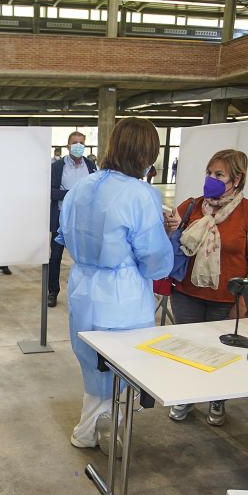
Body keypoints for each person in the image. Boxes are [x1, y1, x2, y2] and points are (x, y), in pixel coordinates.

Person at [57, 118, 173, 452]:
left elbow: (63, 234)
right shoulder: (141, 194)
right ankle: (107, 432)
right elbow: (154, 260)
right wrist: (167, 235)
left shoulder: (83, 186)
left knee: (92, 364)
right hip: (122, 294)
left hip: (83, 286)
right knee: (120, 366)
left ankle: (89, 429)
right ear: (146, 154)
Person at [164, 149, 248, 426]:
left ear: (237, 179)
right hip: (187, 294)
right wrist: (168, 228)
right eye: (209, 173)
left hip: (227, 300)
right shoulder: (191, 206)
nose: (211, 179)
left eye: (219, 175)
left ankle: (217, 399)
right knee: (187, 349)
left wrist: (243, 304)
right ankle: (184, 396)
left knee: (220, 354)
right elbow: (169, 244)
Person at [49, 131, 98, 308]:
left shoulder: (91, 166)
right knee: (55, 256)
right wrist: (72, 194)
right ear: (68, 145)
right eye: (75, 143)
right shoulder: (58, 166)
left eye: (81, 143)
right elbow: (51, 192)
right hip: (62, 219)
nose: (78, 146)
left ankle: (86, 291)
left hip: (84, 220)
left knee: (86, 257)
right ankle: (52, 291)